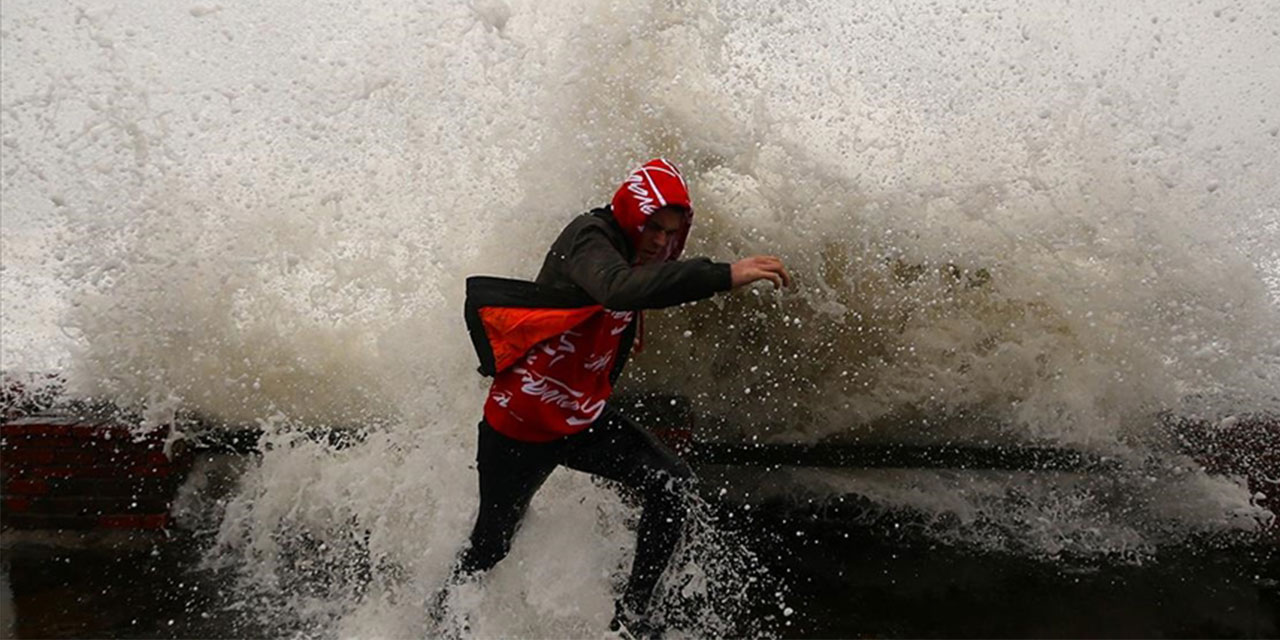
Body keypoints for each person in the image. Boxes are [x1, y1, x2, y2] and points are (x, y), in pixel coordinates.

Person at [447, 158, 790, 636]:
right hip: (521, 424)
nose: (659, 242)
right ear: (632, 214)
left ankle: (632, 620)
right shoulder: (590, 238)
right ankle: (443, 625)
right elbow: (616, 290)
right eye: (652, 227)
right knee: (490, 547)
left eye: (671, 233)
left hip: (581, 420)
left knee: (672, 484)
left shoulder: (643, 261)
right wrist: (721, 275)